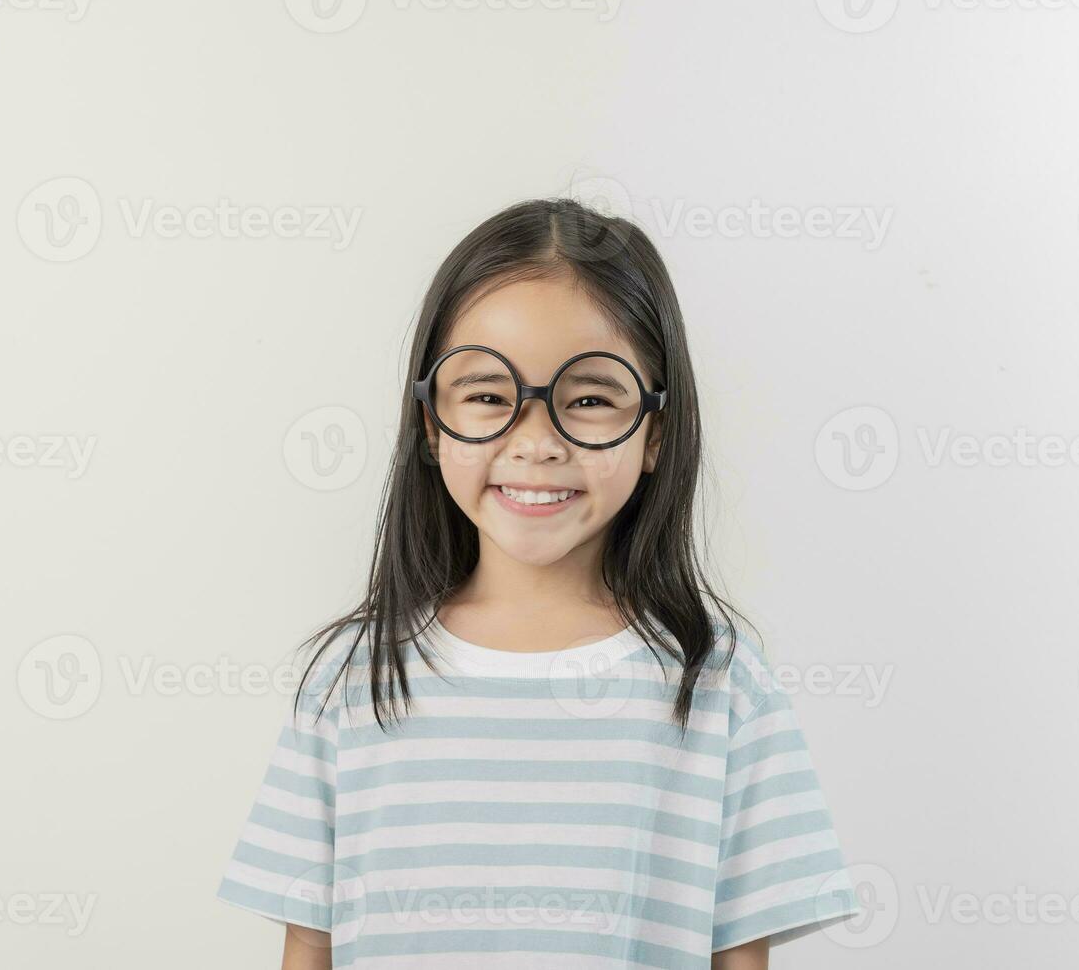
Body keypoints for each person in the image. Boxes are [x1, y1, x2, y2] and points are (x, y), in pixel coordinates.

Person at [215, 198, 861, 969]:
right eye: (488, 394)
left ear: (655, 431)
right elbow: (307, 950)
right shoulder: (349, 680)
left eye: (588, 399)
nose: (536, 442)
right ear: (430, 422)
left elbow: (740, 960)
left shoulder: (722, 688)